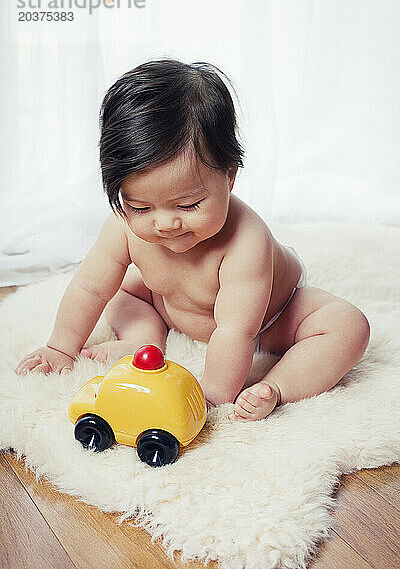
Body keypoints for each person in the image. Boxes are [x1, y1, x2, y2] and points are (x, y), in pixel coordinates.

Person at [15, 59, 370, 421]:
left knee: (347, 326)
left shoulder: (246, 241)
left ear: (229, 177)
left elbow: (236, 330)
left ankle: (277, 387)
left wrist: (212, 395)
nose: (165, 223)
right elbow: (90, 288)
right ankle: (144, 338)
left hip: (269, 317)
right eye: (140, 206)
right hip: (174, 305)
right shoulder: (122, 227)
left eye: (188, 204)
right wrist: (61, 346)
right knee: (120, 290)